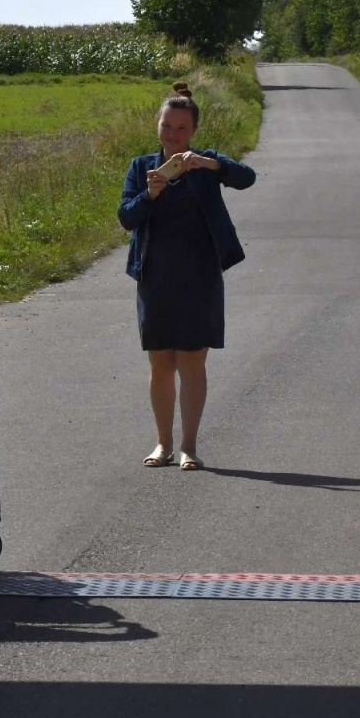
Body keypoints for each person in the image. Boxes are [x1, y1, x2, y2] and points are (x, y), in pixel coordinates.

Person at [118, 82, 257, 471]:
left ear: (193, 130)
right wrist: (149, 194)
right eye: (167, 126)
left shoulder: (206, 165)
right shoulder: (141, 167)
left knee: (192, 363)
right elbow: (126, 217)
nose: (173, 135)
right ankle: (162, 444)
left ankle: (189, 447)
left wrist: (211, 164)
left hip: (201, 278)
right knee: (161, 364)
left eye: (181, 128)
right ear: (157, 125)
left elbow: (247, 178)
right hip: (155, 278)